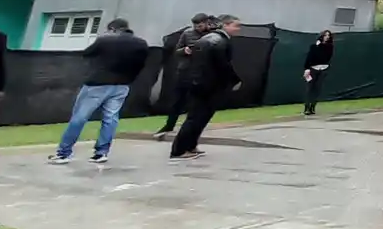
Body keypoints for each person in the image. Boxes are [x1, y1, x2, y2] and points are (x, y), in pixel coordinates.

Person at [48, 18, 150, 164]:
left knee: (80, 117)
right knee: (111, 118)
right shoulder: (141, 44)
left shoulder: (105, 41)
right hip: (122, 84)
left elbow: (87, 53)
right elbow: (141, 64)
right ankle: (101, 152)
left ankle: (64, 152)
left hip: (98, 84)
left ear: (113, 29)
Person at [170, 14, 241, 161]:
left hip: (198, 82)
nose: (238, 29)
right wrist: (234, 80)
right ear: (225, 25)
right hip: (209, 85)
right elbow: (223, 65)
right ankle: (180, 149)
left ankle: (189, 146)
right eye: (235, 25)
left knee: (198, 117)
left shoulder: (206, 39)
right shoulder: (220, 41)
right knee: (197, 117)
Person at [154, 14, 216, 139]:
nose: (198, 28)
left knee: (197, 102)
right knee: (177, 100)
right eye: (195, 25)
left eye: (200, 25)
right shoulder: (187, 34)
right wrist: (184, 50)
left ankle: (193, 128)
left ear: (206, 23)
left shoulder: (213, 35)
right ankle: (169, 125)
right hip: (185, 71)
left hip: (203, 72)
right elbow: (177, 51)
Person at [303, 30, 335, 115]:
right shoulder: (314, 46)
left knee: (318, 89)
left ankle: (312, 107)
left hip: (323, 69)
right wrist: (307, 69)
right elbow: (310, 57)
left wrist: (320, 45)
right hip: (313, 69)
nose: (327, 37)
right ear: (322, 36)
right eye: (325, 35)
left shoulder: (329, 47)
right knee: (309, 89)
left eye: (328, 35)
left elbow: (326, 56)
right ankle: (307, 107)